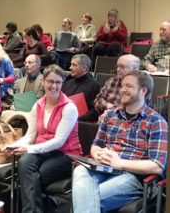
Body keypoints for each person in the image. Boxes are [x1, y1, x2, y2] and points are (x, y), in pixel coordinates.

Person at [72, 70, 168, 212]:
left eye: (129, 86)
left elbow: (157, 166)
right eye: (122, 86)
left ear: (143, 91)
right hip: (103, 167)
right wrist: (97, 153)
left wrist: (120, 163)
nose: (122, 90)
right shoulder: (111, 115)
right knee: (80, 170)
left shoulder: (156, 121)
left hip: (132, 176)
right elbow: (96, 145)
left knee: (85, 197)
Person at [5, 64, 82, 213]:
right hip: (44, 150)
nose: (54, 86)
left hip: (67, 154)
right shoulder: (38, 105)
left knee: (36, 175)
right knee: (24, 161)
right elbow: (31, 136)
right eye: (50, 81)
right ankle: (41, 206)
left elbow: (59, 141)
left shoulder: (69, 108)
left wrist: (29, 148)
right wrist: (14, 145)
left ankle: (35, 207)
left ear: (62, 83)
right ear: (43, 81)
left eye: (58, 82)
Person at [61, 54, 101, 122]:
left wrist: (78, 119)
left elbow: (95, 110)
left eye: (74, 65)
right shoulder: (67, 83)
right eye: (71, 64)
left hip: (81, 123)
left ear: (84, 67)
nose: (70, 68)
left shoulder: (95, 86)